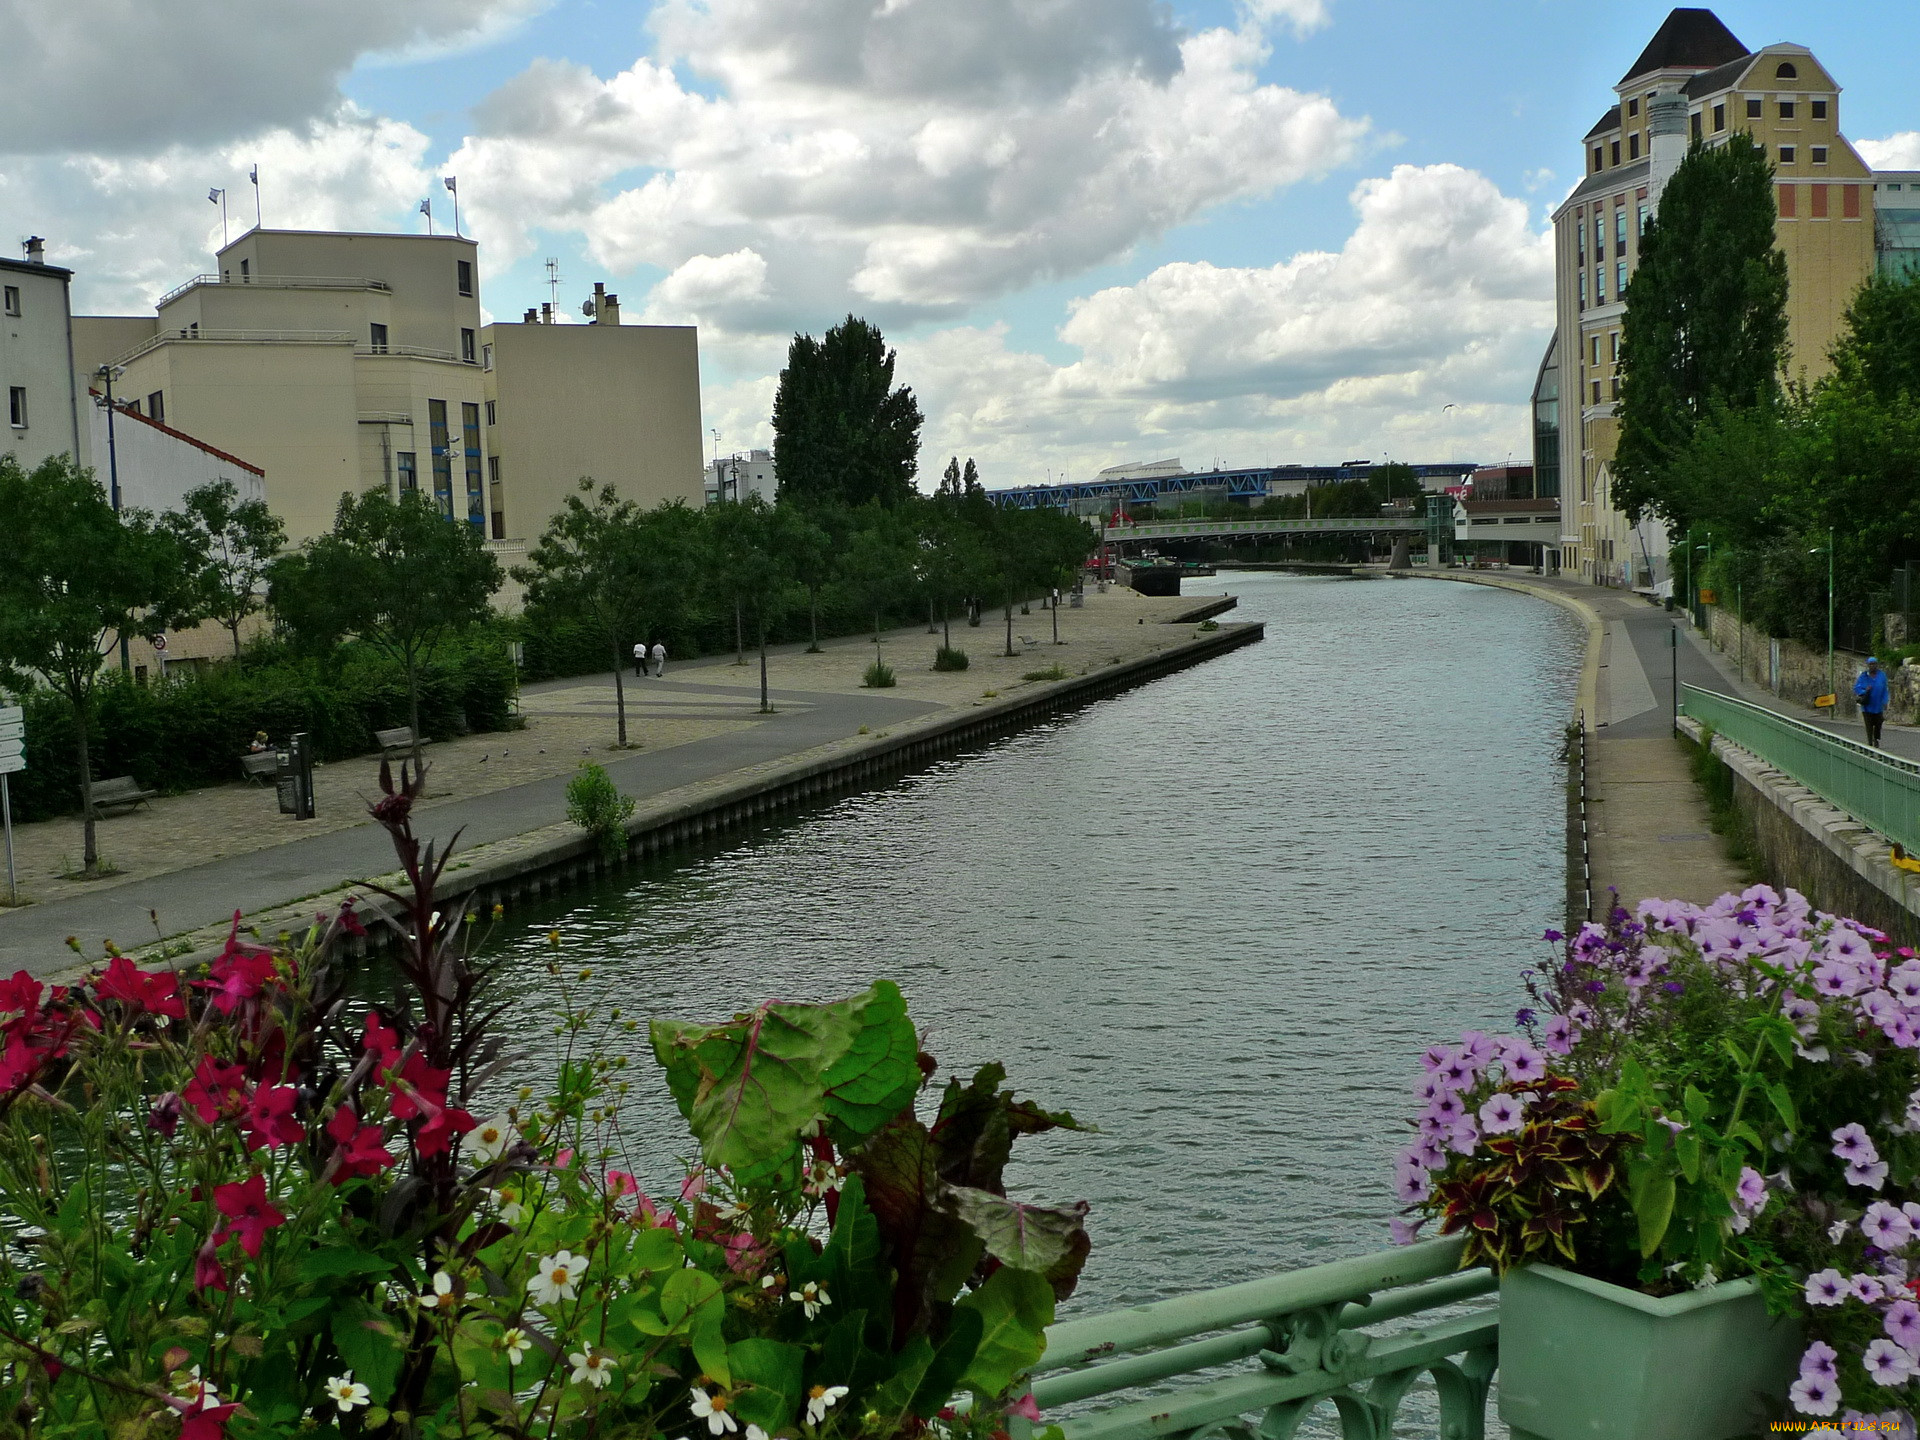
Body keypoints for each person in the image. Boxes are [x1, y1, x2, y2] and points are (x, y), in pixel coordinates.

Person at [1854, 655, 1889, 748]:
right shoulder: (1864, 676)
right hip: (1867, 706)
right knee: (1869, 725)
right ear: (1868, 665)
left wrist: (1885, 701)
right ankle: (1870, 742)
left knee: (1878, 723)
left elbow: (1885, 689)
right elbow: (1857, 688)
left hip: (1878, 706)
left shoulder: (1882, 675)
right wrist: (1865, 690)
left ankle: (1876, 738)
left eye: (1874, 664)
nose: (1872, 666)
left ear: (1877, 665)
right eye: (1870, 664)